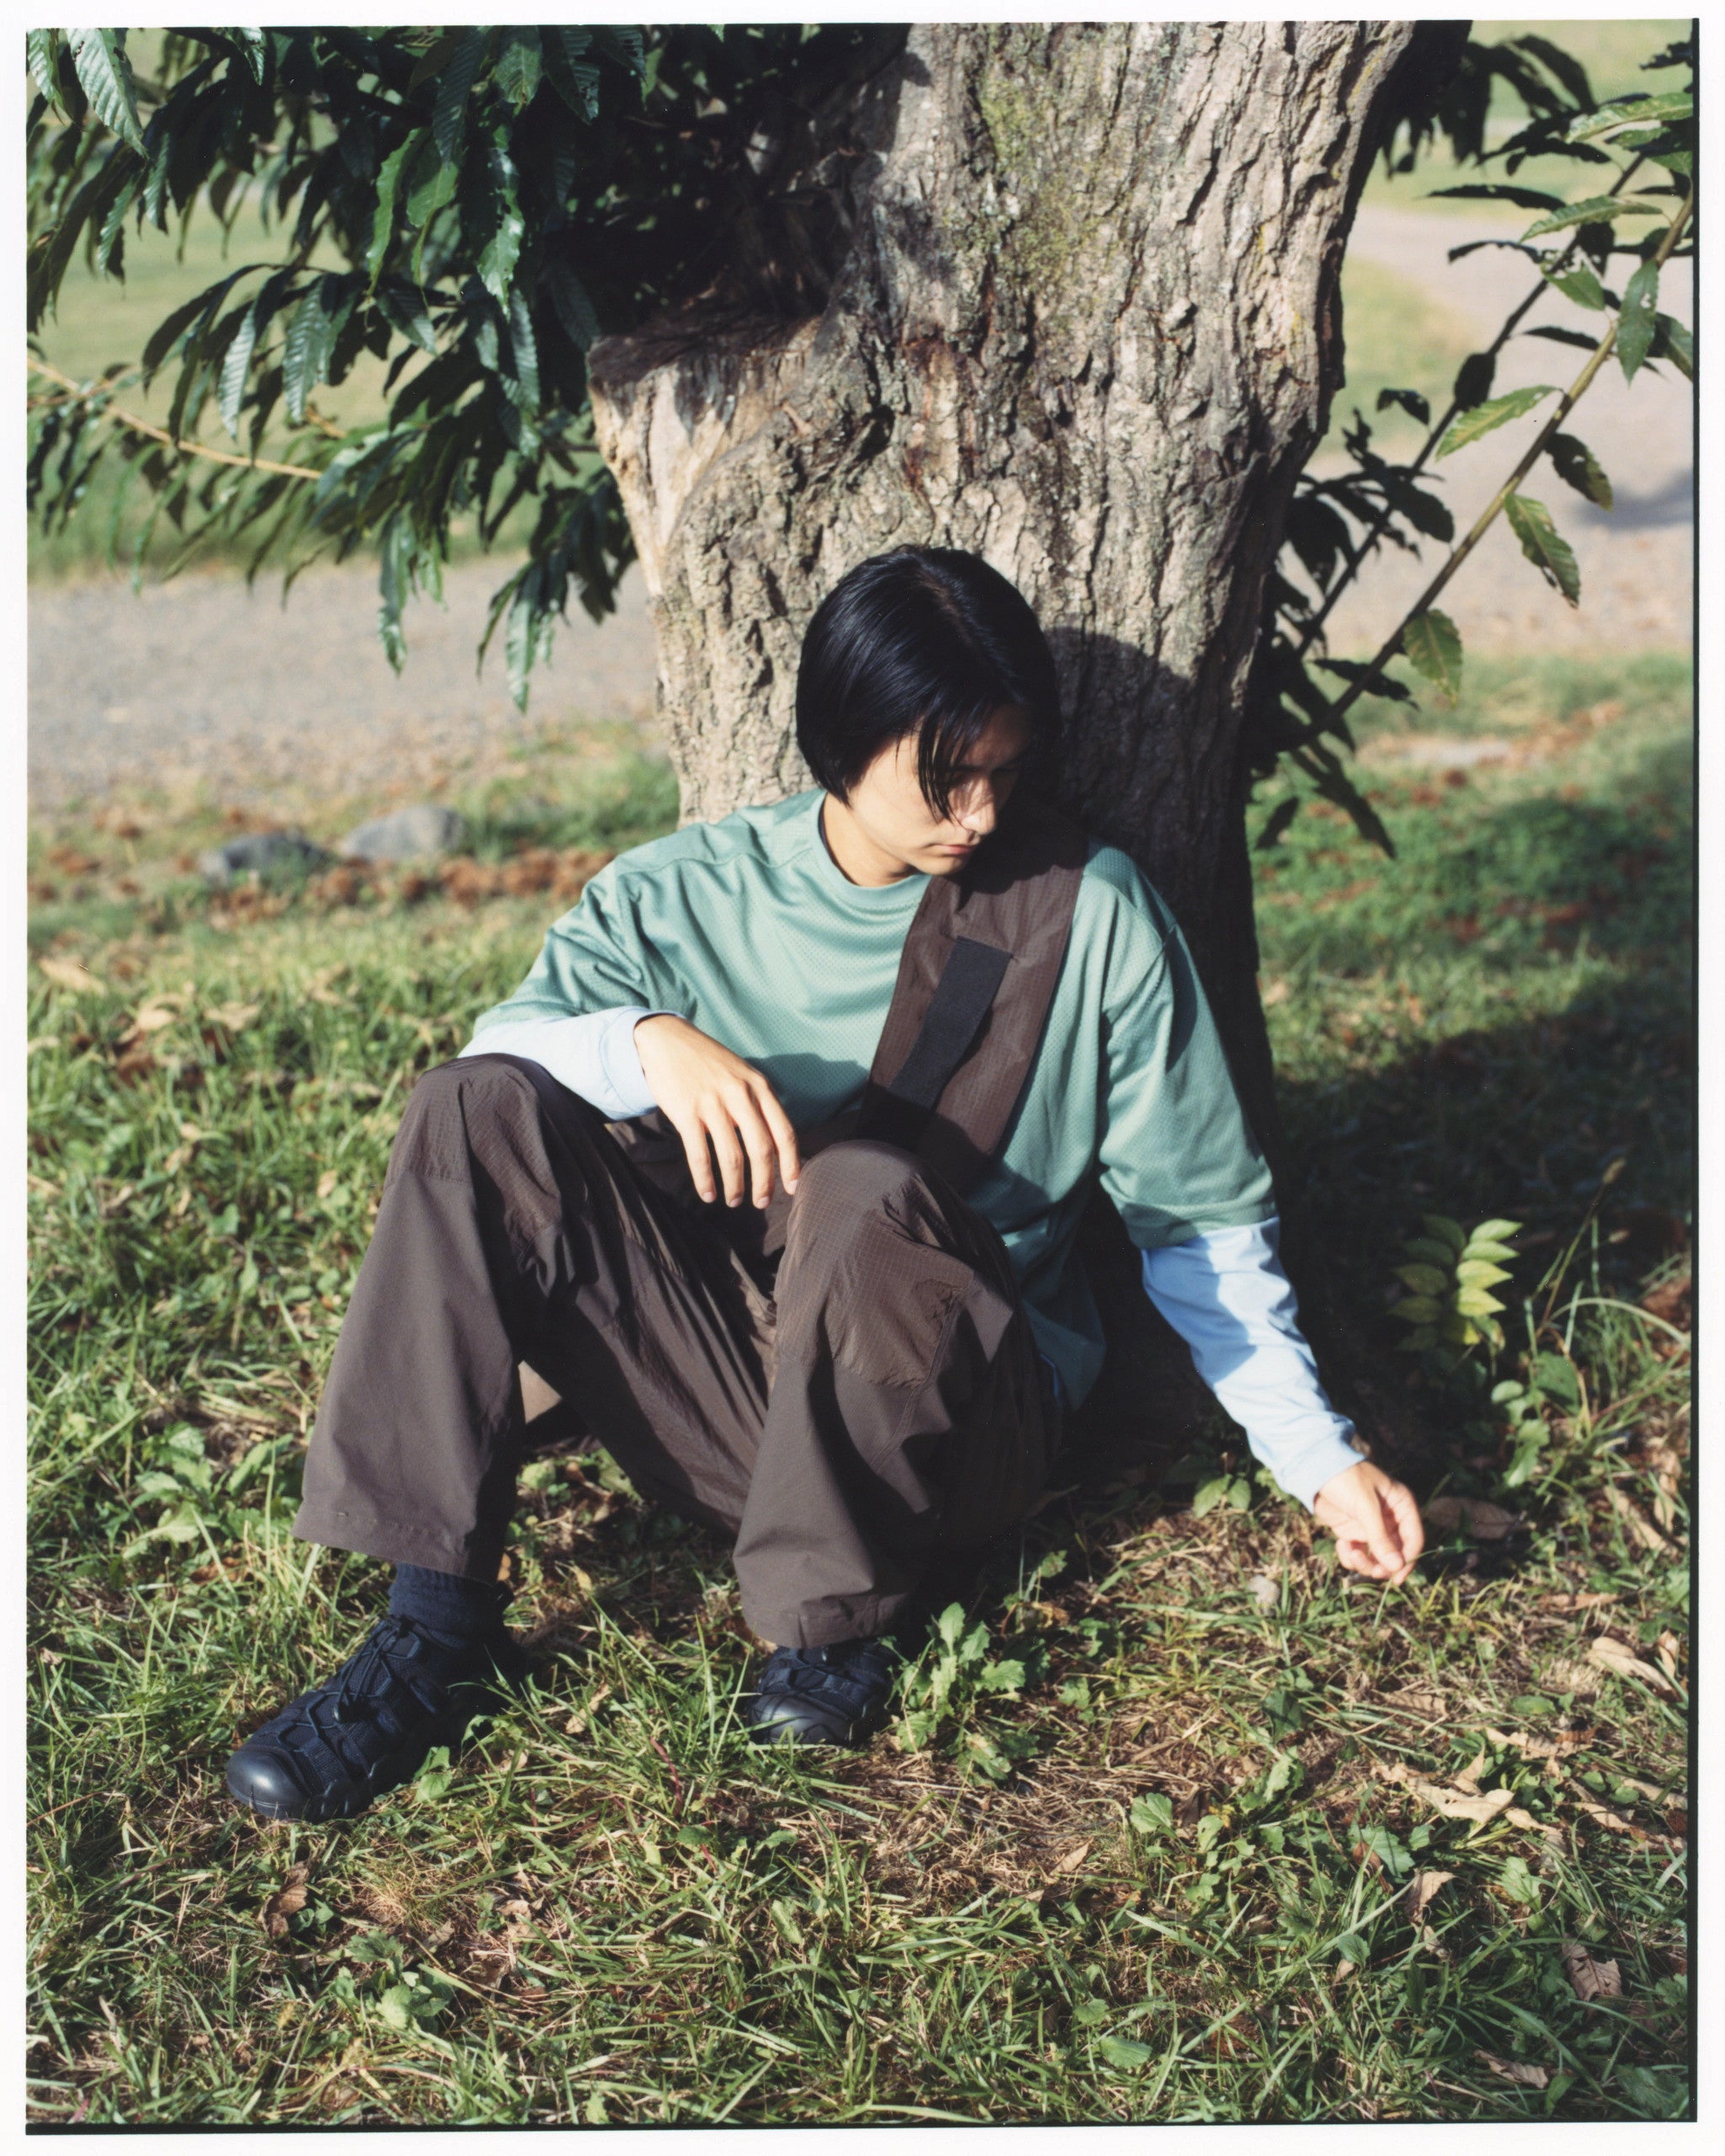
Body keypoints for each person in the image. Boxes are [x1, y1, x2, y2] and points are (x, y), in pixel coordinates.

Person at [225, 546, 1423, 1822]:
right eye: (946, 776)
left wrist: (1318, 1455)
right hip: (736, 1387)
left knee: (861, 1186)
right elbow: (496, 1066)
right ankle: (434, 1629)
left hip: (950, 1425)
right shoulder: (683, 894)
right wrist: (644, 1043)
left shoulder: (1085, 915)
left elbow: (1200, 1224)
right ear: (840, 743)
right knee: (471, 1107)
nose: (981, 815)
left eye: (1005, 771)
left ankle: (836, 1620)